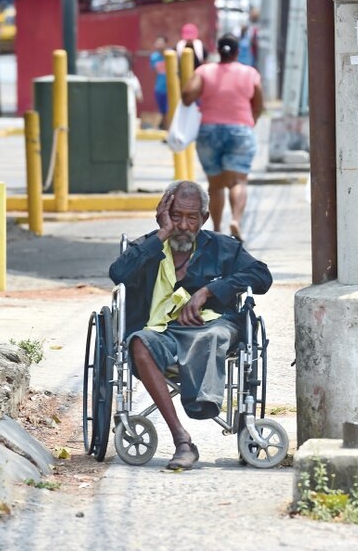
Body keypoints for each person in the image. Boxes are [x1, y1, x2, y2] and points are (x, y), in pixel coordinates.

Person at [109, 181, 273, 470]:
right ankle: (182, 439)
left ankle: (203, 400)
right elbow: (118, 274)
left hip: (212, 327)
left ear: (204, 218)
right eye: (176, 216)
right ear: (163, 214)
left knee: (214, 333)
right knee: (138, 342)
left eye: (191, 217)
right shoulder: (149, 247)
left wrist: (209, 291)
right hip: (162, 332)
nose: (183, 225)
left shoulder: (222, 248)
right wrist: (161, 234)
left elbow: (261, 276)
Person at [182, 34, 263, 242]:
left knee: (215, 184)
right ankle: (235, 220)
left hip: (208, 130)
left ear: (218, 51)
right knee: (238, 181)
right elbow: (258, 104)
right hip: (240, 129)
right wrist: (250, 121)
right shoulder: (249, 73)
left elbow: (187, 96)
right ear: (237, 52)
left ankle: (217, 228)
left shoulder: (205, 71)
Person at [149, 36, 168, 129]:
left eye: (160, 42)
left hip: (170, 87)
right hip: (159, 87)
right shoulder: (154, 57)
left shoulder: (171, 55)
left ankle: (166, 127)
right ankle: (163, 126)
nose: (158, 45)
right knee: (162, 110)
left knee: (169, 109)